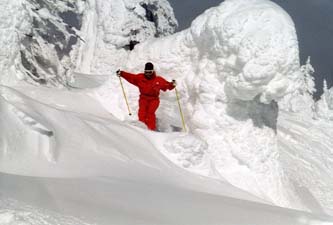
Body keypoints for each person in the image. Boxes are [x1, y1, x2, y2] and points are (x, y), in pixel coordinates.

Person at [117, 62, 176, 131]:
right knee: (142, 112)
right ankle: (142, 129)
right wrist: (121, 73)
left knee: (150, 113)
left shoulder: (158, 80)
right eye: (146, 72)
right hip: (143, 98)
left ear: (152, 71)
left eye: (149, 72)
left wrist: (172, 84)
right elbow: (131, 77)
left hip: (154, 100)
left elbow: (167, 85)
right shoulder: (140, 78)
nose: (148, 74)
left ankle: (151, 130)